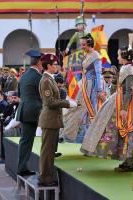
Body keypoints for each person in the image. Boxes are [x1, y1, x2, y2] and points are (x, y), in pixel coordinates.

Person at [81, 46, 133, 172]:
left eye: (118, 55)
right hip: (118, 100)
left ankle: (129, 162)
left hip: (124, 104)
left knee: (126, 132)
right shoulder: (125, 68)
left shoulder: (129, 69)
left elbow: (128, 90)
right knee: (119, 132)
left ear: (123, 56)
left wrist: (124, 109)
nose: (117, 57)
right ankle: (126, 160)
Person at [38, 54, 76, 186]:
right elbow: (50, 102)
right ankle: (45, 178)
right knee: (47, 152)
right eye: (54, 65)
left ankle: (47, 176)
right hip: (49, 119)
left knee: (50, 151)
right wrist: (67, 103)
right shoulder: (46, 80)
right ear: (48, 66)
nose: (56, 67)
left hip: (52, 119)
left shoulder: (50, 79)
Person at [16, 49, 43, 176]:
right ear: (39, 63)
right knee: (28, 140)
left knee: (25, 140)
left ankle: (22, 166)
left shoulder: (24, 75)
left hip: (24, 110)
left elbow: (20, 94)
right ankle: (22, 168)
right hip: (34, 111)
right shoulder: (38, 77)